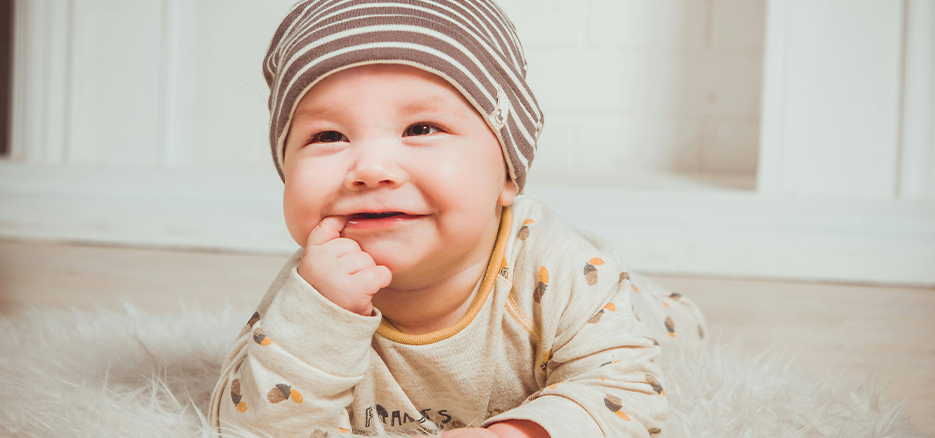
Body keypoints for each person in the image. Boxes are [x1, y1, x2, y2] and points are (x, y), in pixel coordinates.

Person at [208, 1, 707, 436]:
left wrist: (520, 433)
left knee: (650, 333)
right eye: (328, 137)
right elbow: (248, 424)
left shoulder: (563, 266)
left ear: (507, 175)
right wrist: (321, 320)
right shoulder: (312, 290)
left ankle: (652, 301)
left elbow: (626, 392)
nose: (371, 169)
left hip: (615, 308)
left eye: (421, 128)